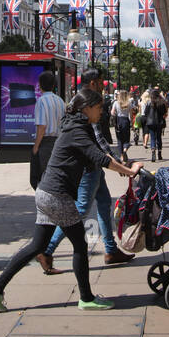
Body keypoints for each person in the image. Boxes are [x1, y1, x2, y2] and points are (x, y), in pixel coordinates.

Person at [0, 88, 143, 313]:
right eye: (99, 108)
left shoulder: (78, 126)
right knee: (80, 244)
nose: (102, 112)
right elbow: (99, 158)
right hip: (57, 195)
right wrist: (129, 172)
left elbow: (100, 152)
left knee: (37, 246)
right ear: (86, 108)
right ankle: (86, 298)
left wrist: (124, 166)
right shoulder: (77, 130)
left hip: (46, 193)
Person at [39, 71, 133, 272]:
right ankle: (46, 250)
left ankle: (110, 249)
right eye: (100, 82)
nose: (103, 85)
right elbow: (97, 141)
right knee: (80, 210)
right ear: (93, 82)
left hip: (94, 167)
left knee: (104, 203)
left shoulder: (87, 101)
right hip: (87, 167)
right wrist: (118, 163)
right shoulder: (87, 104)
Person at [31, 71, 65, 191]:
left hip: (46, 143)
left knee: (44, 176)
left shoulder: (41, 101)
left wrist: (36, 146)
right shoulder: (60, 101)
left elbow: (42, 126)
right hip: (59, 142)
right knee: (55, 175)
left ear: (40, 85)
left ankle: (46, 203)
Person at [142, 88, 166, 162]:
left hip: (150, 123)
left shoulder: (149, 103)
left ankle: (153, 151)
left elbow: (146, 113)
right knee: (159, 138)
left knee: (152, 138)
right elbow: (164, 112)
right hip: (159, 122)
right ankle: (159, 153)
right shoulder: (161, 103)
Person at [112, 90, 134, 164]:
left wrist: (114, 114)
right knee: (126, 138)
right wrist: (132, 124)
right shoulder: (129, 103)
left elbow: (112, 112)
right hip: (126, 121)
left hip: (118, 121)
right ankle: (125, 150)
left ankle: (121, 155)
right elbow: (130, 115)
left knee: (119, 139)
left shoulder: (116, 103)